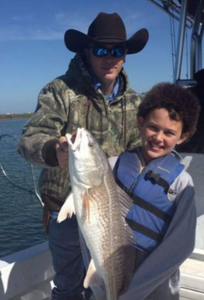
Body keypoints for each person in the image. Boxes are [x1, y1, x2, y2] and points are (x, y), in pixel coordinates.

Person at [17, 12, 149, 300]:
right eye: (101, 50)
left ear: (125, 55)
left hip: (113, 216)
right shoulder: (60, 91)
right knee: (68, 289)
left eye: (117, 50)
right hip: (64, 215)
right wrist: (54, 152)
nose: (109, 57)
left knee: (112, 285)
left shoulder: (136, 104)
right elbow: (28, 140)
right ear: (87, 51)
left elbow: (142, 157)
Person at [84, 82, 200, 300]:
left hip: (152, 290)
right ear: (141, 122)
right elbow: (89, 225)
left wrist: (131, 294)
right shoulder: (110, 166)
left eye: (169, 132)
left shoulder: (182, 184)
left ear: (182, 137)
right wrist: (99, 288)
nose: (158, 138)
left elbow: (180, 246)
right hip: (104, 287)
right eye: (153, 128)